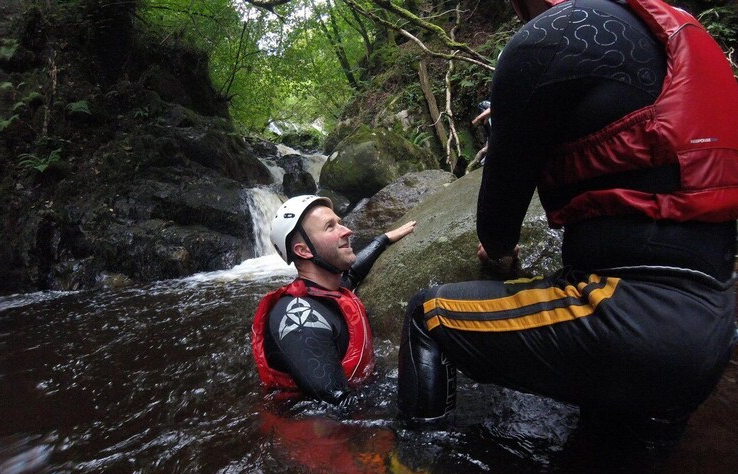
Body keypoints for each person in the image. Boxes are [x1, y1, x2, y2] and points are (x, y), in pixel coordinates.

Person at [398, 0, 738, 446]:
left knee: (426, 317)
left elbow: (496, 232)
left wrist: (501, 250)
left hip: (629, 318)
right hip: (714, 321)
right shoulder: (678, 30)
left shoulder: (548, 36)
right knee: (610, 466)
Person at [252, 195, 415, 406]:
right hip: (323, 424)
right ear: (303, 250)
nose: (347, 231)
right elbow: (337, 404)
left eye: (340, 222)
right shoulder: (298, 318)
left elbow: (353, 273)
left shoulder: (328, 290)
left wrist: (382, 240)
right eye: (330, 227)